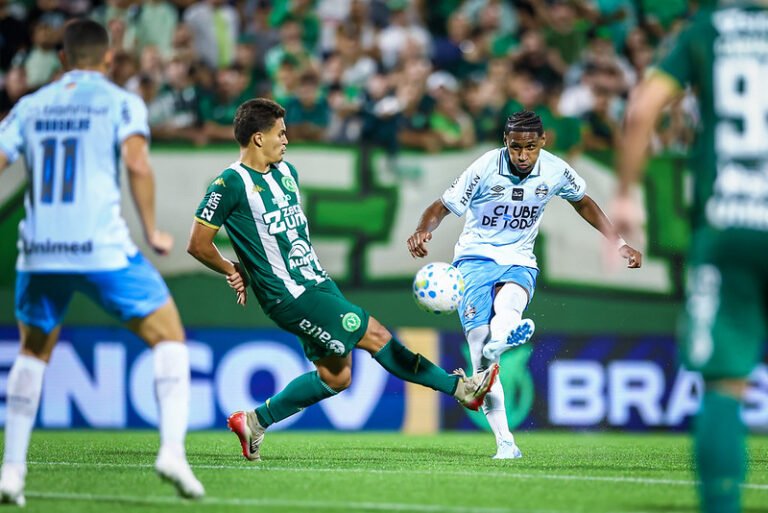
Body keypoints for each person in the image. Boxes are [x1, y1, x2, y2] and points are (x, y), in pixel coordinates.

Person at [186, 98, 500, 461]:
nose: (286, 140)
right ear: (258, 138)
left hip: (318, 283)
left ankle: (254, 422)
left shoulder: (287, 174)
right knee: (376, 335)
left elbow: (269, 238)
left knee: (336, 377)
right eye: (280, 133)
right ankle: (462, 389)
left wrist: (249, 264)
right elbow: (198, 244)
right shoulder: (230, 183)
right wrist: (232, 268)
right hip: (290, 295)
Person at [0, 19, 204, 505]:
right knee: (170, 337)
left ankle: (11, 470)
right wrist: (151, 229)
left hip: (40, 250)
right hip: (100, 247)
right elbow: (137, 162)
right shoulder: (121, 102)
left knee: (32, 352)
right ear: (109, 58)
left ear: (63, 59)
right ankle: (172, 452)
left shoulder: (31, 105)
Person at [407, 110, 642, 459]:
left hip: (519, 258)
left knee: (511, 301)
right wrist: (422, 230)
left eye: (530, 147)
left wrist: (618, 242)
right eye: (515, 147)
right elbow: (442, 206)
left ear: (542, 142)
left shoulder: (555, 170)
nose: (522, 155)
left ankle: (501, 338)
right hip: (474, 259)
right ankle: (506, 442)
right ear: (506, 141)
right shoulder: (486, 166)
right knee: (480, 361)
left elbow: (584, 203)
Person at [612, 3, 768, 512]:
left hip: (729, 222)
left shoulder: (709, 29)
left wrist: (626, 194)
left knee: (725, 383)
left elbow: (642, 108)